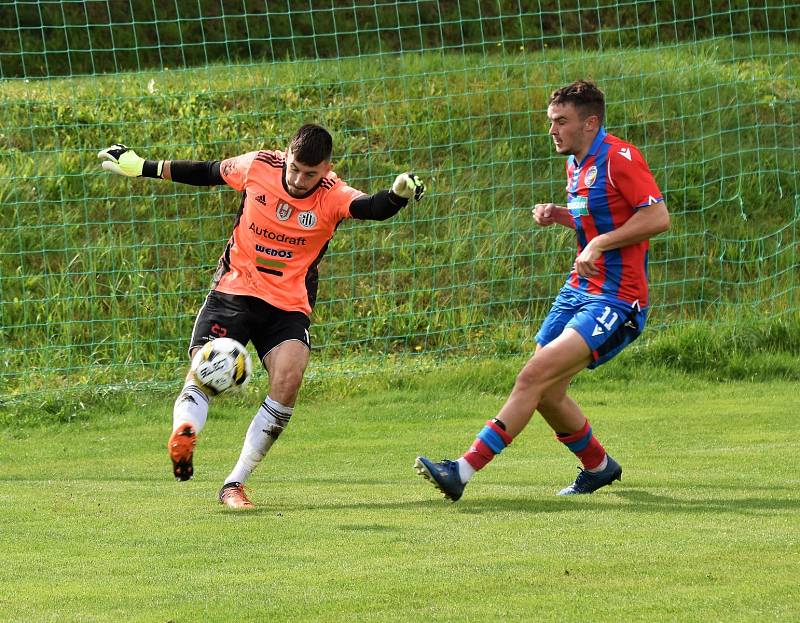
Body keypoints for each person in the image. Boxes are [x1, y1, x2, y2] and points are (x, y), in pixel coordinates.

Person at [98, 124, 425, 509]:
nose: (299, 179)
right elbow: (206, 171)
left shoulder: (332, 193)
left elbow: (371, 208)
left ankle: (234, 484)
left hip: (287, 306)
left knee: (289, 378)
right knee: (205, 370)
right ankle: (184, 432)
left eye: (310, 174)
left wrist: (397, 195)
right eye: (294, 168)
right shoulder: (258, 166)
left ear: (326, 169)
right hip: (233, 291)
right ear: (286, 155)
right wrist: (142, 166)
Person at [414, 80, 669, 501]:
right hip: (578, 289)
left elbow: (657, 217)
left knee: (532, 376)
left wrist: (599, 243)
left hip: (617, 298)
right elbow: (600, 219)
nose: (552, 130)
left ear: (590, 123)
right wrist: (561, 216)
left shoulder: (620, 158)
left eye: (561, 122)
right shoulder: (576, 163)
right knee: (547, 390)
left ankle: (461, 470)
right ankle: (599, 466)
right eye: (551, 121)